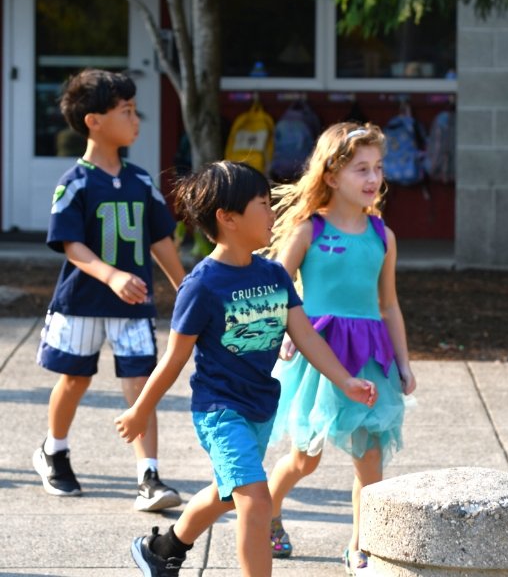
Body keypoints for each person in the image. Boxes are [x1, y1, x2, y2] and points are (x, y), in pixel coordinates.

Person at [114, 160, 377, 577]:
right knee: (255, 500)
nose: (273, 214)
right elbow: (175, 358)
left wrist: (344, 380)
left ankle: (163, 548)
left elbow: (306, 336)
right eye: (263, 204)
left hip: (260, 406)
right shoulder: (201, 285)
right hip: (221, 410)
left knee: (228, 492)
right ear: (228, 218)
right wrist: (141, 409)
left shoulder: (273, 274)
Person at [264, 121, 416, 574]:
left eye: (378, 168)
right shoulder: (309, 229)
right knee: (304, 459)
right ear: (331, 175)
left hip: (370, 356)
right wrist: (284, 337)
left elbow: (389, 305)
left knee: (369, 460)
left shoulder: (382, 236)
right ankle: (269, 512)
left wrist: (404, 363)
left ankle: (360, 546)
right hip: (319, 354)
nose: (373, 179)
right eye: (360, 170)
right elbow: (276, 288)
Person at [33, 68, 186, 511]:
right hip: (81, 303)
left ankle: (149, 476)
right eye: (126, 111)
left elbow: (160, 239)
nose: (136, 120)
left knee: (141, 384)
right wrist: (111, 275)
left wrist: (185, 287)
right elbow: (71, 246)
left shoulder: (140, 181)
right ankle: (54, 451)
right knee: (76, 378)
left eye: (135, 110)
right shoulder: (74, 182)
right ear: (93, 121)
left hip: (134, 304)